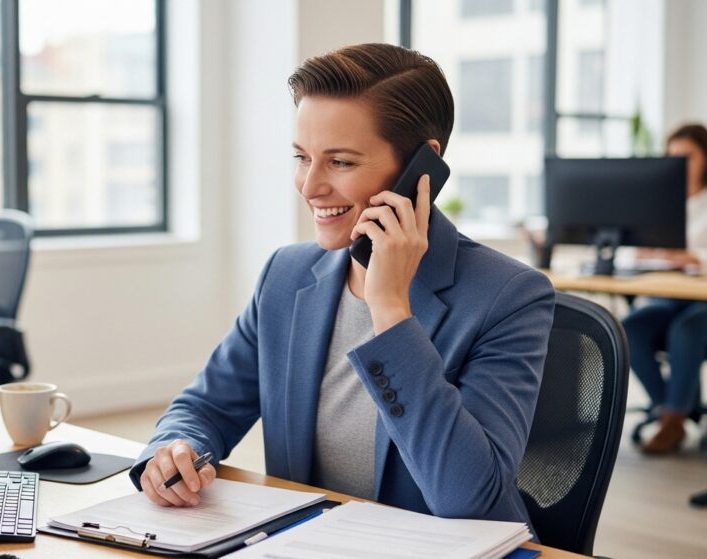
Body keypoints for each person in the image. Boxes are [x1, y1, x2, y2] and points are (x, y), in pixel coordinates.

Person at [129, 43, 555, 527]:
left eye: (341, 162)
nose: (309, 186)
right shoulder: (286, 275)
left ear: (422, 167)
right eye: (301, 157)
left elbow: (471, 501)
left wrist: (391, 309)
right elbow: (206, 406)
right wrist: (173, 448)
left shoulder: (509, 297)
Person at [622, 123, 707, 454]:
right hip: (667, 297)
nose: (679, 166)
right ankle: (669, 411)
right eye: (672, 158)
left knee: (686, 330)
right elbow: (629, 250)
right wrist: (645, 250)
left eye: (687, 157)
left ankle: (672, 421)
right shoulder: (656, 204)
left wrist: (694, 257)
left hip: (701, 303)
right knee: (629, 329)